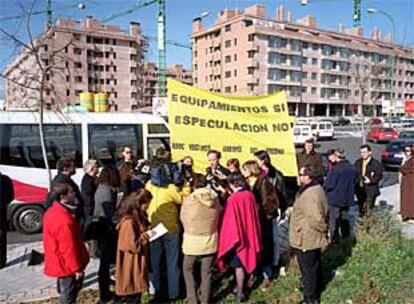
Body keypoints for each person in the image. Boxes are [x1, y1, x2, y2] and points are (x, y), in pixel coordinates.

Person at [217, 173, 262, 302]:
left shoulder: (233, 199)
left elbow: (229, 222)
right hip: (249, 234)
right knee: (244, 262)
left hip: (238, 237)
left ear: (232, 184)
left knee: (239, 266)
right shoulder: (250, 195)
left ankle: (240, 292)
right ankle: (242, 288)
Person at [43, 183, 90, 304]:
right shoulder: (63, 219)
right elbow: (67, 247)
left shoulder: (53, 211)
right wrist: (76, 268)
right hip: (66, 264)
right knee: (68, 294)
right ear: (63, 197)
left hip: (59, 260)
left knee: (65, 290)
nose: (74, 194)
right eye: (71, 192)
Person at [146, 155, 184, 302]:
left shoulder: (149, 184)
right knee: (172, 262)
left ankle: (154, 289)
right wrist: (183, 184)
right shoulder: (171, 188)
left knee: (154, 261)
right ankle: (173, 293)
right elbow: (181, 199)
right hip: (170, 228)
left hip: (154, 226)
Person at [290, 165, 328, 304]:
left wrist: (323, 229)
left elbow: (316, 218)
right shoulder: (316, 188)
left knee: (308, 270)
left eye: (301, 174)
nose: (299, 177)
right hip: (310, 236)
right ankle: (313, 291)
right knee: (313, 266)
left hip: (307, 237)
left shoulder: (310, 193)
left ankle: (310, 298)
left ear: (308, 177)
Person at [181, 174, 221, 304]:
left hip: (192, 241)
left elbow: (183, 218)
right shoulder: (215, 198)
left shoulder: (189, 200)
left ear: (193, 185)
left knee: (187, 269)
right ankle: (205, 300)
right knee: (207, 272)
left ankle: (192, 299)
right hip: (210, 239)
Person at [242, 161, 278, 290]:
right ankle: (255, 271)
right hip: (252, 221)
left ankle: (266, 275)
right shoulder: (247, 183)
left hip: (263, 220)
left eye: (244, 169)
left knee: (265, 247)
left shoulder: (264, 182)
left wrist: (258, 210)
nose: (243, 172)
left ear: (251, 170)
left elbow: (271, 203)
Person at [115, 189, 152, 304]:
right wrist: (145, 236)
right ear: (139, 203)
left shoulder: (136, 218)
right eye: (147, 204)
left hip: (135, 263)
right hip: (131, 264)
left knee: (136, 295)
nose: (148, 207)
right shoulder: (128, 222)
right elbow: (131, 245)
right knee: (133, 296)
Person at [94, 165, 121, 303]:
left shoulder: (102, 187)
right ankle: (105, 293)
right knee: (106, 263)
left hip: (103, 228)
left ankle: (106, 292)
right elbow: (110, 213)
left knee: (105, 263)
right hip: (105, 229)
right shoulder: (105, 190)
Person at [324, 149, 358, 244]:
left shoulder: (335, 169)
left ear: (337, 156)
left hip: (335, 199)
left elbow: (329, 184)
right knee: (345, 219)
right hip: (347, 198)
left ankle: (334, 241)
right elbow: (356, 181)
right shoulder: (352, 168)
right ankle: (346, 239)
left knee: (334, 220)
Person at [45, 158, 84, 224]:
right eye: (73, 166)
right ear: (65, 168)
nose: (75, 167)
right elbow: (55, 200)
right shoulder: (60, 181)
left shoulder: (67, 179)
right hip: (68, 215)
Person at [354, 144, 383, 217]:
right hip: (360, 190)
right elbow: (355, 174)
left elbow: (379, 176)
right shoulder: (358, 162)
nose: (363, 154)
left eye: (365, 152)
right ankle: (362, 225)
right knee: (361, 209)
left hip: (370, 190)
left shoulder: (376, 164)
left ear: (370, 152)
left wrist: (371, 181)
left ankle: (368, 225)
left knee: (368, 209)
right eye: (361, 152)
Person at [0, 172, 14, 269]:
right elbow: (10, 197)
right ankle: (2, 260)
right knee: (2, 236)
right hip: (1, 211)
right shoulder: (5, 179)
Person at [81, 160, 99, 224]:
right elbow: (88, 196)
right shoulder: (88, 181)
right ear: (92, 168)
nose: (98, 168)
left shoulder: (94, 178)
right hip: (90, 208)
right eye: (96, 166)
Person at [400, 144, 414, 221]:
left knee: (409, 199)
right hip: (406, 181)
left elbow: (405, 169)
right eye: (405, 151)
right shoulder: (407, 159)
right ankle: (406, 214)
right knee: (405, 198)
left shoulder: (411, 160)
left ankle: (410, 214)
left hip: (410, 182)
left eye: (408, 151)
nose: (406, 152)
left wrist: (402, 168)